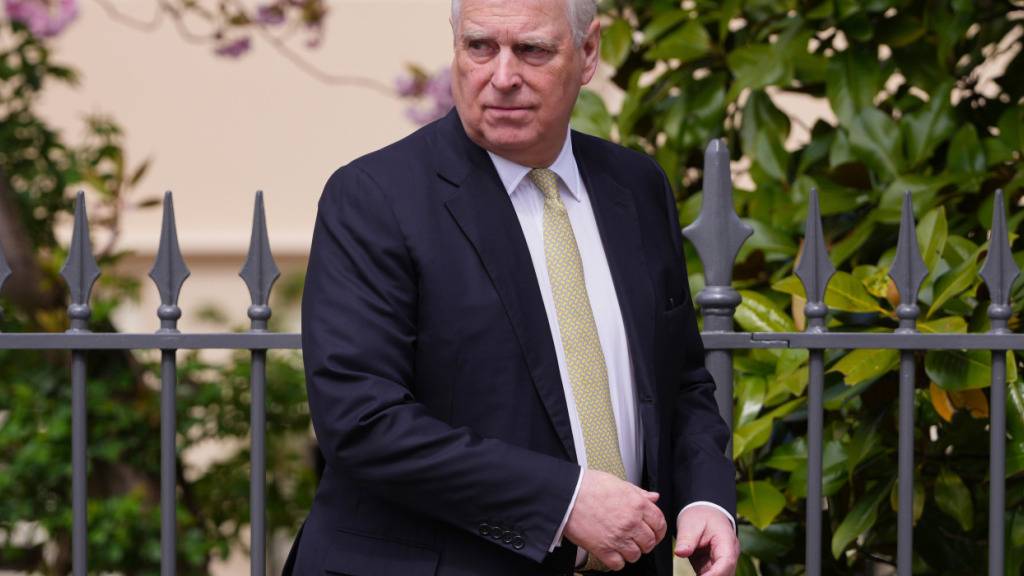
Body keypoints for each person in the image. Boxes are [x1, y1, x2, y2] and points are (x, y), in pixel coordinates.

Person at [285, 0, 739, 574]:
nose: (502, 77)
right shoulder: (375, 198)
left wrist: (705, 498)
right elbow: (362, 420)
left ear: (589, 52)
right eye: (479, 47)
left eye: (532, 50)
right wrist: (564, 501)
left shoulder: (636, 186)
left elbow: (682, 381)